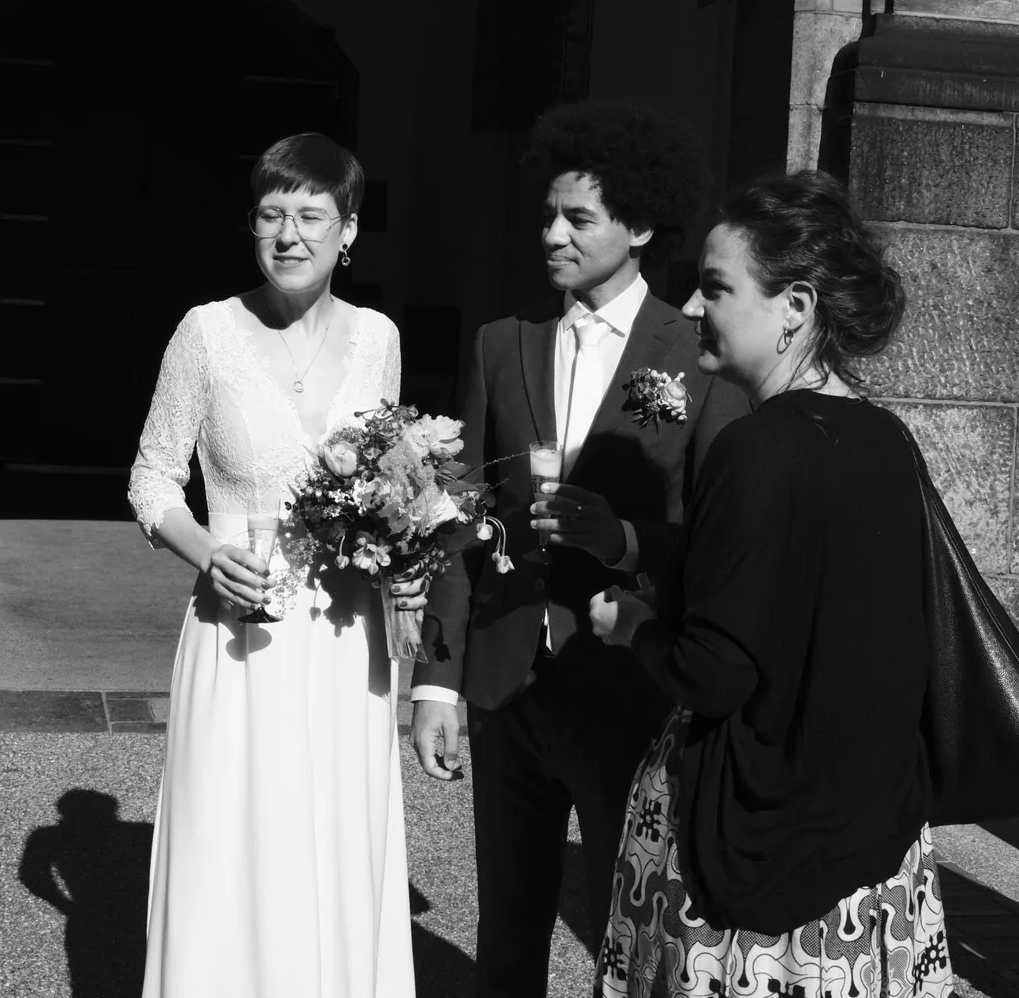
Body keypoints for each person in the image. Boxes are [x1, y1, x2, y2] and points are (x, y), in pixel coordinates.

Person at [587, 170, 951, 998]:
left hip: (749, 869)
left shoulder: (755, 449)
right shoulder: (886, 440)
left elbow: (716, 671)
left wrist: (634, 626)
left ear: (796, 306)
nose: (691, 307)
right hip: (870, 859)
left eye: (716, 287)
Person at [410, 100, 746, 996]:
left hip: (630, 686)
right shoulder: (503, 343)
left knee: (627, 933)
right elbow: (462, 515)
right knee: (506, 934)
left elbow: (716, 532)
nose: (553, 235)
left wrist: (627, 544)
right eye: (548, 215)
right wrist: (436, 679)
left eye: (579, 219)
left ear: (639, 227)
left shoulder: (696, 355)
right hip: (507, 684)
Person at [127, 134, 419, 998]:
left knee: (335, 831)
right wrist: (208, 553)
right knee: (230, 834)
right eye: (271, 215)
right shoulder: (206, 332)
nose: (289, 235)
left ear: (348, 230)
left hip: (346, 636)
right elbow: (151, 477)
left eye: (311, 216)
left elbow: (393, 480)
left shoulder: (378, 338)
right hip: (236, 628)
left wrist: (407, 555)